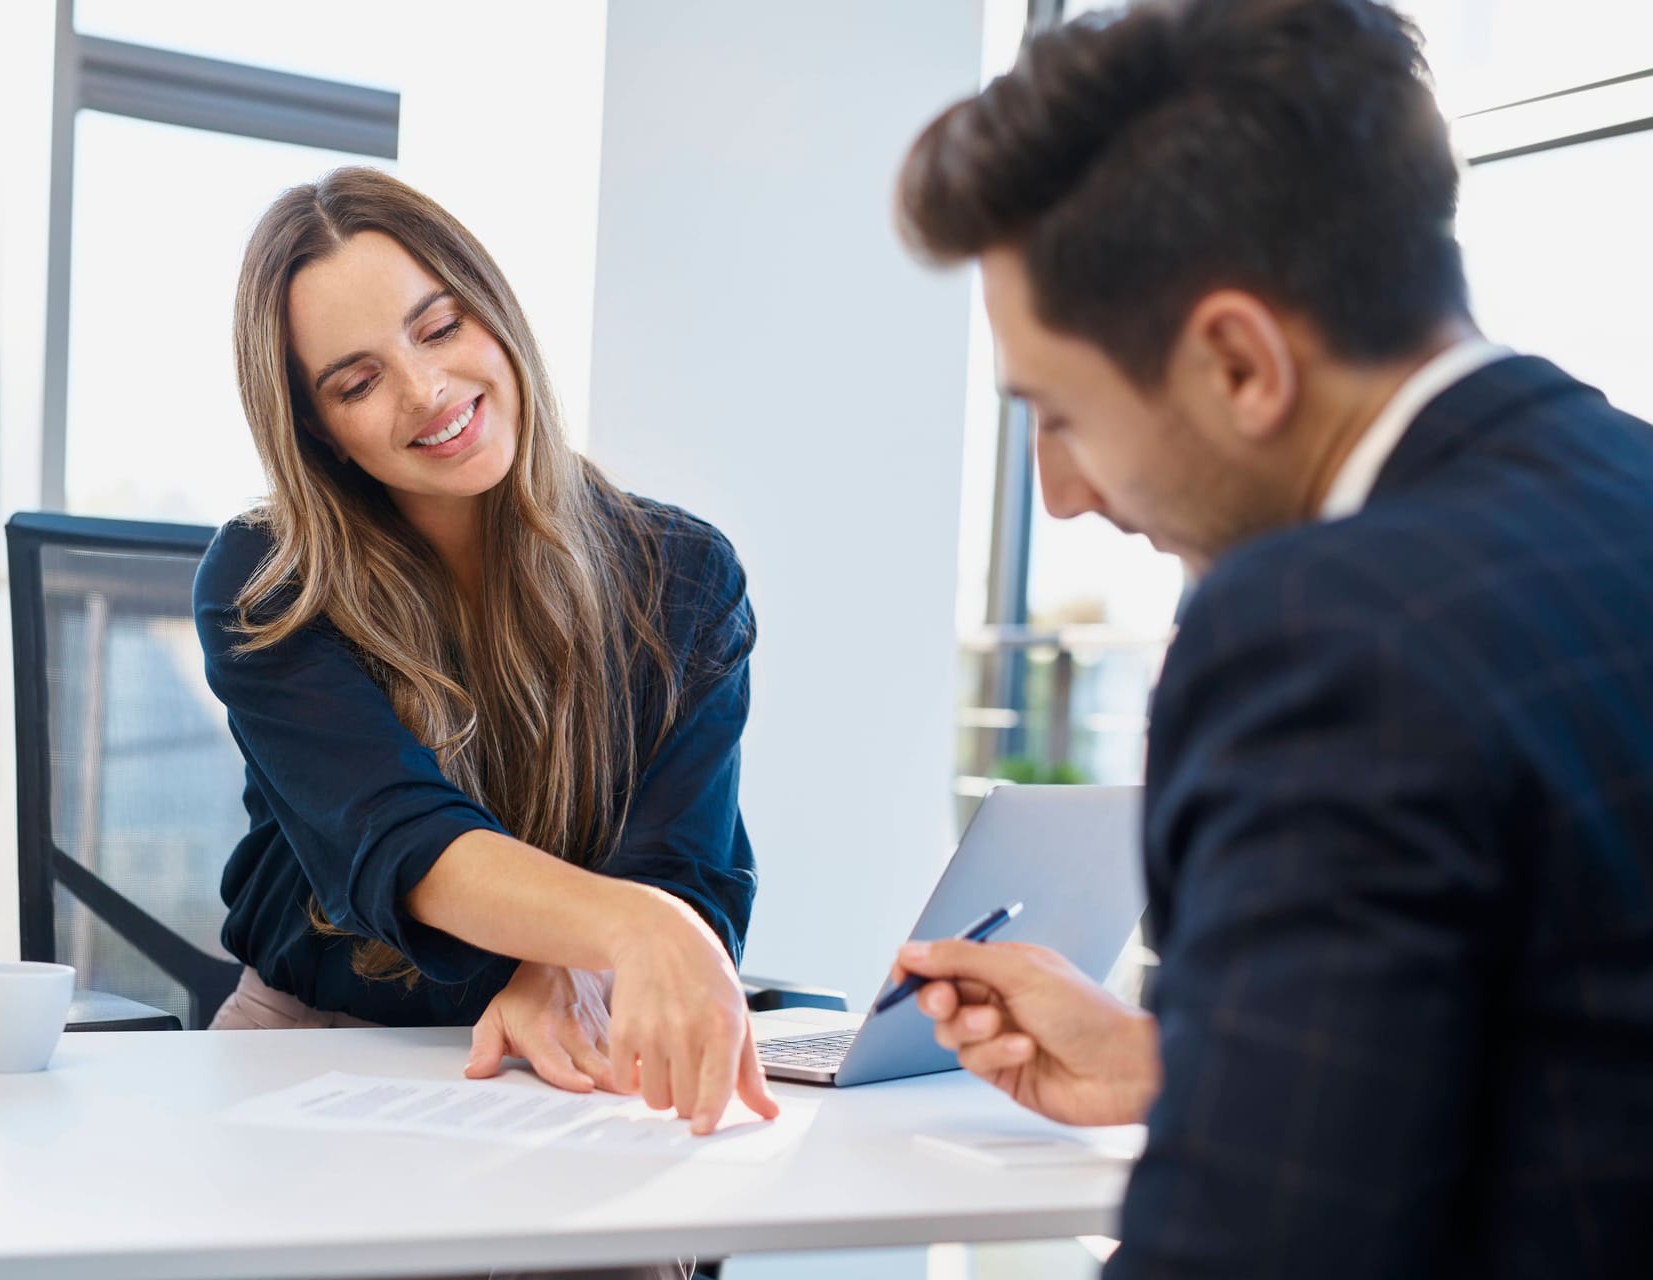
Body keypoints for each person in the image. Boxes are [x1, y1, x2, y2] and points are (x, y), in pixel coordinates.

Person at [888, 0, 1653, 1275]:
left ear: (1239, 362)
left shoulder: (1320, 633)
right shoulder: (1620, 489)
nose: (1063, 493)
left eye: (1062, 414)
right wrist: (1177, 1063)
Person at [194, 167, 778, 1153]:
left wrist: (569, 962)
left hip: (575, 1050)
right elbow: (403, 840)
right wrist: (628, 931)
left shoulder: (682, 576)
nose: (427, 391)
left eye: (439, 327)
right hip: (321, 1051)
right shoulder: (268, 581)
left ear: (495, 314)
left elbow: (681, 865)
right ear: (318, 432)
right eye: (357, 380)